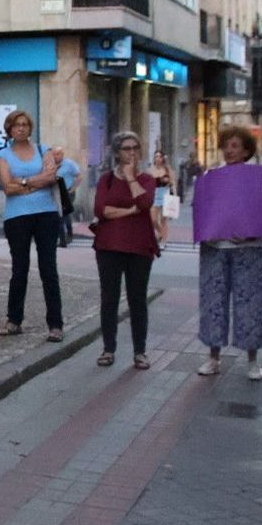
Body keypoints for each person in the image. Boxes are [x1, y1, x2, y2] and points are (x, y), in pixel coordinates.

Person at [0, 110, 80, 341]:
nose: (21, 128)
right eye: (16, 125)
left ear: (30, 128)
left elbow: (51, 177)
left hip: (46, 214)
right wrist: (34, 182)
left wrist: (22, 182)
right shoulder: (3, 155)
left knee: (48, 269)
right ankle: (14, 320)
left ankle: (55, 324)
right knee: (19, 269)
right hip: (16, 217)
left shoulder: (44, 150)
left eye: (24, 124)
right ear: (10, 129)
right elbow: (7, 187)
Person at [196, 126, 262, 379]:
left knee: (250, 303)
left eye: (235, 145)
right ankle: (213, 357)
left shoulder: (258, 178)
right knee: (213, 302)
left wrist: (251, 231)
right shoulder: (211, 176)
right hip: (215, 248)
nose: (229, 150)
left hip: (249, 249)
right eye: (226, 145)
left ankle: (252, 360)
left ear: (247, 150)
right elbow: (202, 209)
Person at [92, 132, 159, 369]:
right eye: (126, 148)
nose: (131, 153)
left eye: (135, 148)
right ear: (117, 153)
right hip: (109, 245)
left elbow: (144, 204)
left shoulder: (148, 180)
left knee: (137, 299)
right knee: (109, 298)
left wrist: (131, 179)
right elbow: (101, 210)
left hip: (140, 246)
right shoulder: (106, 180)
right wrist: (130, 212)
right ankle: (108, 349)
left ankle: (140, 351)